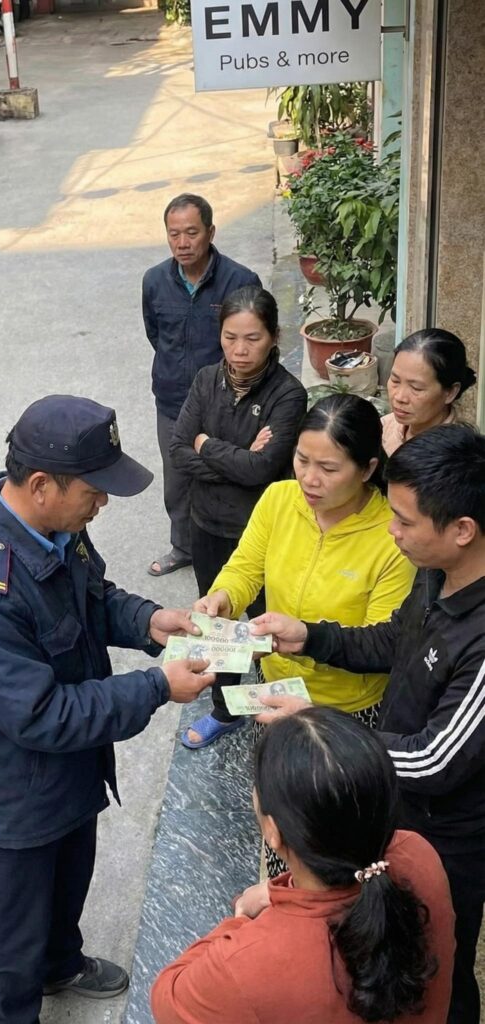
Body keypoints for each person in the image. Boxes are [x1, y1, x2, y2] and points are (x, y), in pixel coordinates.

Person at [0, 395, 214, 1024]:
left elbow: (93, 598)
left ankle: (61, 962)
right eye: (95, 489)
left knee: (69, 879)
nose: (103, 502)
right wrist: (159, 686)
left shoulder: (59, 530)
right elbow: (42, 713)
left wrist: (151, 622)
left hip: (69, 770)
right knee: (13, 928)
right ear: (39, 485)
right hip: (15, 794)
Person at [252, 424, 485, 1024]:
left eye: (405, 521)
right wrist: (310, 636)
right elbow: (390, 642)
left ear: (462, 530)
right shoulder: (436, 573)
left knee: (439, 963)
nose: (392, 530)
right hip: (398, 805)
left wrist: (326, 735)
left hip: (450, 833)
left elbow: (435, 759)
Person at [150, 707, 455, 1024]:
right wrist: (275, 893)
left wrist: (239, 922)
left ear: (273, 831)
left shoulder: (248, 966)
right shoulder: (418, 853)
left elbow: (167, 997)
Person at [183, 393, 414, 748]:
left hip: (344, 709)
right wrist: (223, 597)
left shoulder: (393, 538)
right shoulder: (279, 499)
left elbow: (378, 642)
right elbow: (245, 567)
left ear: (368, 469)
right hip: (275, 686)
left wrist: (305, 638)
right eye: (302, 460)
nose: (309, 478)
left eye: (329, 468)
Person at [169, 286, 306, 741]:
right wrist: (237, 460)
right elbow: (176, 449)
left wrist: (206, 445)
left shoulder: (288, 394)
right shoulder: (207, 380)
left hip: (262, 532)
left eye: (252, 338)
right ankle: (225, 710)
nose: (240, 350)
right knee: (219, 624)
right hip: (208, 526)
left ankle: (278, 713)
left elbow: (264, 469)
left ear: (273, 336)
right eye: (230, 337)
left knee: (270, 629)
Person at [143, 194, 261, 577]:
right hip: (174, 400)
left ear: (210, 232)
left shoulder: (240, 281)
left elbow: (255, 338)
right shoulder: (155, 281)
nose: (182, 243)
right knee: (178, 481)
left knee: (231, 474)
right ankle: (184, 547)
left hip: (228, 401)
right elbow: (155, 333)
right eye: (174, 234)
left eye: (191, 233)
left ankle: (242, 554)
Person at [382, 328, 477, 455]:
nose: (399, 397)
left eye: (416, 388)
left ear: (450, 392)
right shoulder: (383, 427)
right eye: (395, 380)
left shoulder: (458, 458)